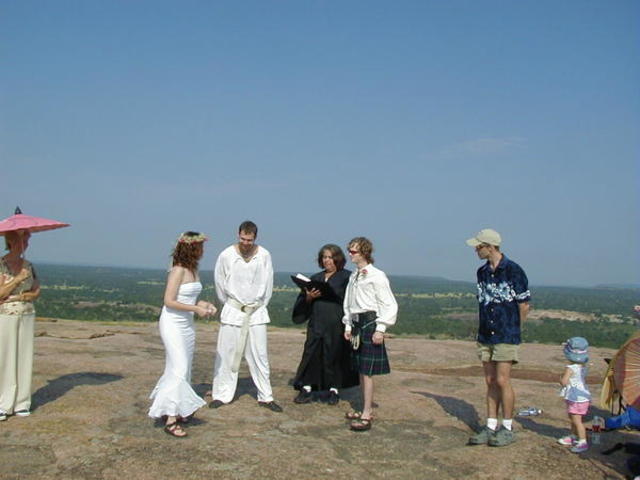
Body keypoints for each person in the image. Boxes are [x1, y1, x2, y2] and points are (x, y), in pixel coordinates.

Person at [466, 229, 530, 447]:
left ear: (490, 247)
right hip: (486, 333)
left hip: (506, 333)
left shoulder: (513, 270)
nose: (476, 249)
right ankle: (491, 425)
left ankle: (507, 427)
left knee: (503, 380)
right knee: (490, 381)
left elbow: (524, 305)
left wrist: (515, 329)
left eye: (478, 246)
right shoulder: (481, 272)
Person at [148, 231, 216, 437]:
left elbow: (188, 299)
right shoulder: (177, 270)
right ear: (190, 248)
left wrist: (202, 304)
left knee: (181, 368)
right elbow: (168, 301)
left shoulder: (193, 269)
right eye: (200, 247)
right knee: (179, 367)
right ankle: (170, 419)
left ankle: (177, 409)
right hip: (172, 323)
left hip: (186, 324)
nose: (203, 251)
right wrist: (196, 310)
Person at [210, 221, 282, 412]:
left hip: (256, 312)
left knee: (259, 355)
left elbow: (268, 284)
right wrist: (233, 307)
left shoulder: (264, 255)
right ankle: (221, 394)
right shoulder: (226, 255)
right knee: (226, 354)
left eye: (249, 240)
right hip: (233, 310)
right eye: (243, 238)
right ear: (238, 235)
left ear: (255, 238)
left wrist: (257, 306)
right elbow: (219, 285)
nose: (246, 243)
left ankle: (266, 396)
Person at [292, 244, 358, 405]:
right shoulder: (316, 278)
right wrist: (309, 297)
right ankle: (307, 387)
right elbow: (303, 304)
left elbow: (353, 300)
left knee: (334, 354)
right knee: (311, 353)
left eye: (330, 257)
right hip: (317, 322)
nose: (327, 260)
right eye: (324, 257)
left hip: (336, 323)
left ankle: (333, 389)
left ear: (338, 258)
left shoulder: (347, 277)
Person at [342, 237, 397, 431]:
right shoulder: (354, 275)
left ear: (364, 252)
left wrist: (381, 328)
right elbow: (348, 302)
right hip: (357, 323)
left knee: (367, 372)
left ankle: (366, 413)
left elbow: (389, 304)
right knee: (360, 369)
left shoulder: (377, 276)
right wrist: (348, 325)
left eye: (353, 251)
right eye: (349, 250)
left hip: (370, 323)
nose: (350, 254)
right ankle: (362, 407)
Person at [0, 230, 40, 421]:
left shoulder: (29, 265)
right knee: (5, 358)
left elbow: (36, 291)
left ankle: (22, 402)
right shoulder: (1, 264)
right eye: (23, 238)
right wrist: (17, 279)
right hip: (5, 316)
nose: (26, 242)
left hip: (26, 313)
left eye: (27, 238)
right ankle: (3, 403)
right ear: (11, 240)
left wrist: (20, 296)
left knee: (24, 357)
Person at [557, 337, 591, 453]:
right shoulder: (583, 367)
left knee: (576, 420)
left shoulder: (570, 368)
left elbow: (564, 382)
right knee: (574, 418)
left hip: (575, 397)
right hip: (583, 397)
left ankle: (582, 441)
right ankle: (574, 436)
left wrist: (560, 378)